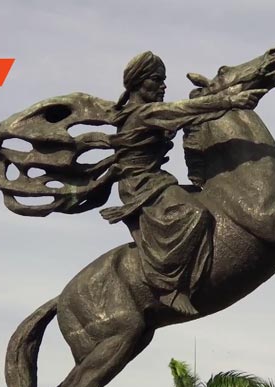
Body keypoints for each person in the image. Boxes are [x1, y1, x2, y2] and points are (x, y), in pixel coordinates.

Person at [99, 51, 265, 315]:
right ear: (139, 82)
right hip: (141, 184)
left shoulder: (149, 113)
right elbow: (185, 111)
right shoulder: (144, 113)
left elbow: (187, 117)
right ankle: (169, 286)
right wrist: (229, 100)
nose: (163, 86)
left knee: (207, 200)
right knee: (194, 213)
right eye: (157, 79)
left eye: (163, 79)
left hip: (157, 180)